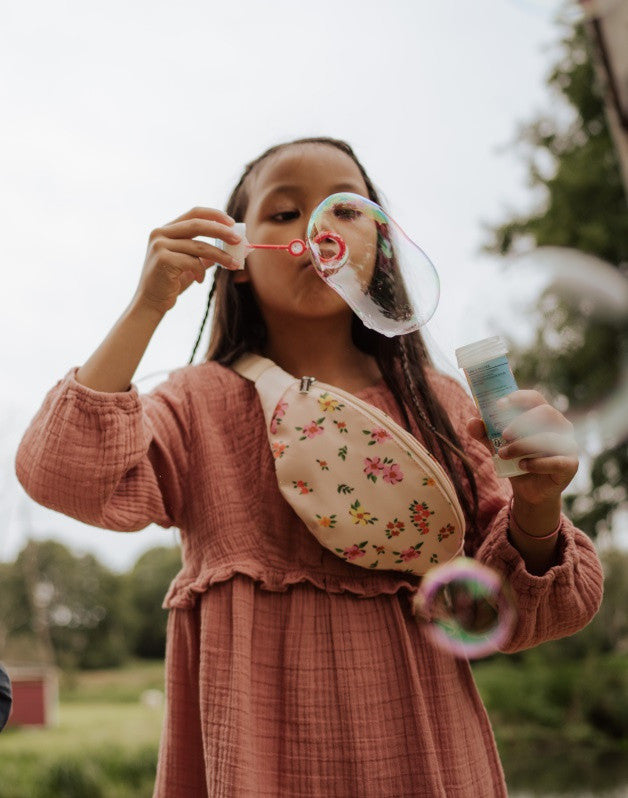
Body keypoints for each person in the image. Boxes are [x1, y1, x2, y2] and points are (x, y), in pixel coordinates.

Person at [15, 137, 604, 797]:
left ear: (382, 247)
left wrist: (538, 505)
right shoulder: (198, 403)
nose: (318, 229)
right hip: (258, 757)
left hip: (423, 753)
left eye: (345, 211)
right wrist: (149, 304)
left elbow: (518, 610)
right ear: (238, 258)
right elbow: (60, 474)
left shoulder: (440, 404)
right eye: (285, 212)